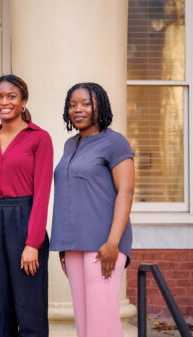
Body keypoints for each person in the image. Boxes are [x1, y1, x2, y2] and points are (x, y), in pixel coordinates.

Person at [50, 82, 135, 337]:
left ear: (100, 106)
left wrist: (113, 242)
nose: (78, 109)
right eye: (73, 104)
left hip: (104, 243)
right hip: (74, 245)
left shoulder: (115, 143)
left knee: (102, 322)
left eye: (86, 104)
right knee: (84, 324)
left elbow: (126, 192)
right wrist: (65, 245)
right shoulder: (69, 144)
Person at [0, 75, 52, 337]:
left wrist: (33, 243)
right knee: (0, 308)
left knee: (29, 308)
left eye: (11, 96)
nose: (4, 102)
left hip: (25, 221)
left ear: (23, 101)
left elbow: (42, 194)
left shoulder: (39, 138)